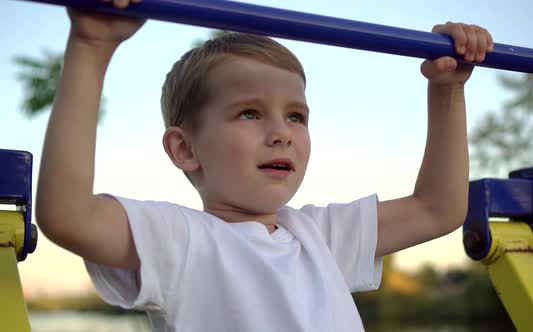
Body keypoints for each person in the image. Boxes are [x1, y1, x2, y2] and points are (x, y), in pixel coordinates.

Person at [35, 0, 494, 331]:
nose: (282, 133)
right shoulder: (181, 240)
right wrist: (91, 46)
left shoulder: (320, 236)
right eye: (250, 113)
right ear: (184, 149)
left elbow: (439, 208)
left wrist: (448, 90)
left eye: (296, 115)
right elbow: (68, 215)